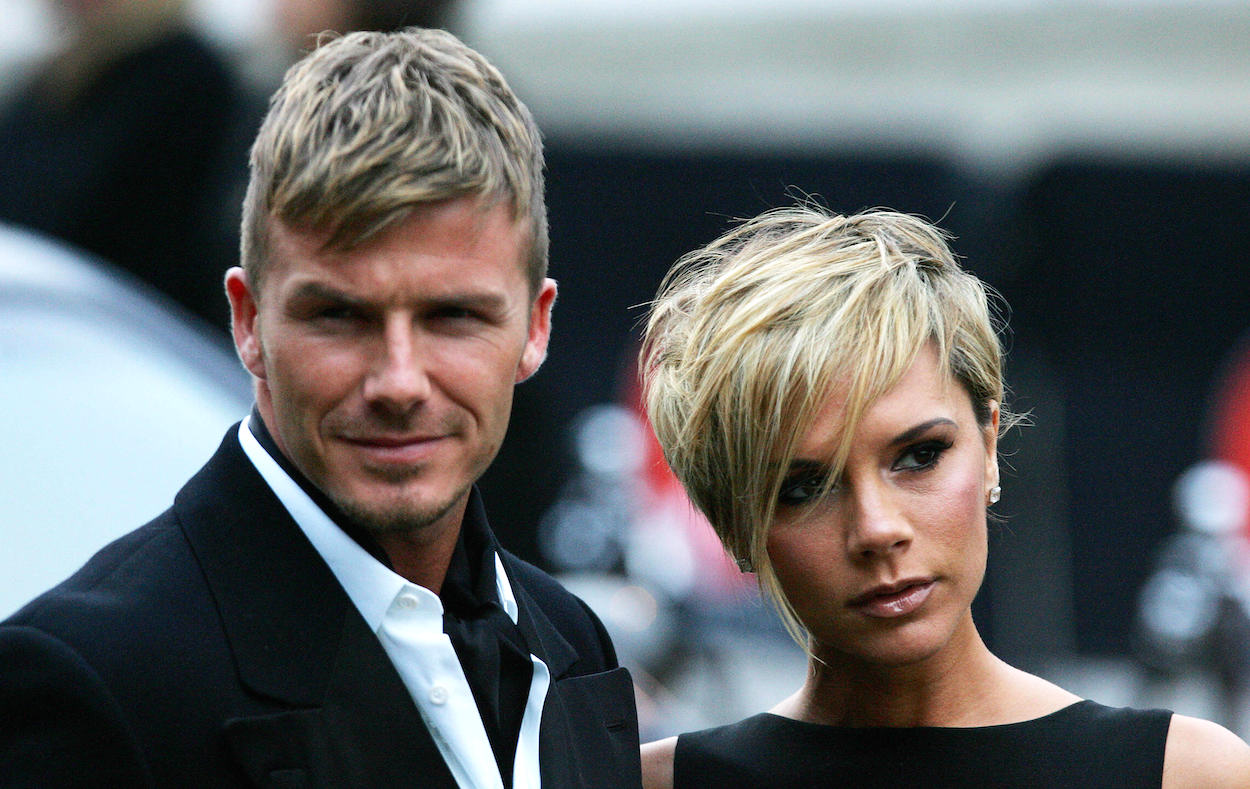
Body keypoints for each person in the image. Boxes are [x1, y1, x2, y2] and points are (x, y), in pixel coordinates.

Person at [0, 27, 640, 788]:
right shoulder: (93, 681)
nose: (399, 381)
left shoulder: (571, 641)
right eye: (339, 316)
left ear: (536, 327)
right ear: (248, 322)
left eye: (452, 317)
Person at [637, 205, 1250, 787]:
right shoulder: (653, 782)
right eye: (803, 488)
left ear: (989, 444)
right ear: (732, 526)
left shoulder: (1183, 774)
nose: (878, 530)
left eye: (919, 455)